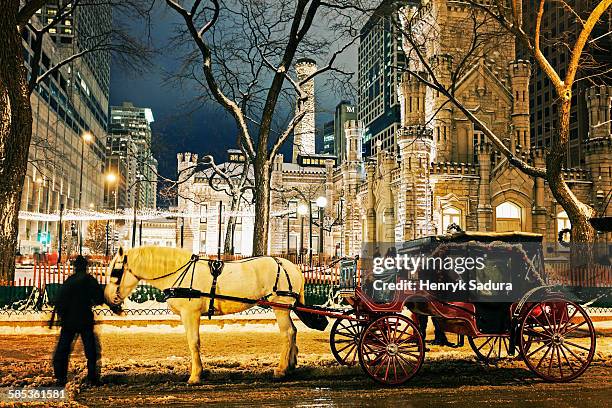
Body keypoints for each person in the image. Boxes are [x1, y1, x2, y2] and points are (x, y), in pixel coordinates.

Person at [52, 255, 104, 386]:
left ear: (75, 267)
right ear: (85, 267)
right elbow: (99, 298)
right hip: (85, 319)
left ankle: (60, 377)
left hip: (69, 321)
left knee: (63, 349)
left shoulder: (69, 281)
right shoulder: (89, 280)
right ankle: (92, 377)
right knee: (91, 350)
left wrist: (61, 317)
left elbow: (59, 300)